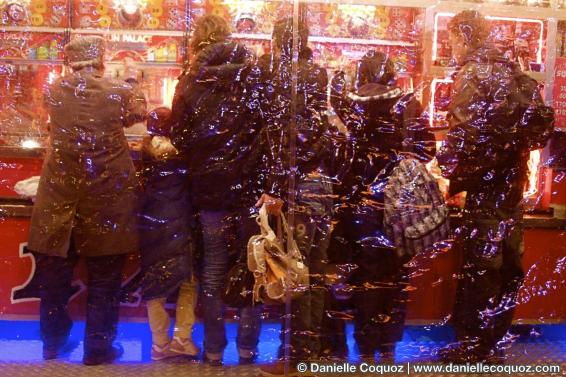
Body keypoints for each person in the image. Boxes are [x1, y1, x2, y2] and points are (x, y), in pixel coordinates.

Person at [436, 10, 554, 363]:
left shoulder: (474, 73)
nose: (450, 46)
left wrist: (448, 173)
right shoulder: (510, 70)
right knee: (506, 264)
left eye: (452, 38)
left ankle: (473, 345)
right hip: (513, 182)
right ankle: (493, 340)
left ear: (464, 36)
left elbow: (463, 130)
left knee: (481, 263)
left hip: (486, 184)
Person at [27, 36, 146, 365]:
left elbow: (46, 124)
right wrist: (133, 78)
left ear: (69, 62)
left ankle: (51, 343)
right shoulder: (118, 91)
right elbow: (140, 113)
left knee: (54, 275)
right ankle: (98, 348)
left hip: (59, 197)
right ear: (101, 61)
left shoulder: (52, 91)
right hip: (106, 196)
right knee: (105, 277)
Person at [325, 50, 436, 362]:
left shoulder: (350, 105)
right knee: (396, 279)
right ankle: (387, 347)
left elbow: (340, 153)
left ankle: (364, 347)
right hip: (400, 205)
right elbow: (427, 150)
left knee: (362, 278)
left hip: (358, 206)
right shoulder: (408, 104)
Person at [170, 14, 263, 366]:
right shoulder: (253, 78)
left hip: (208, 190)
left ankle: (212, 349)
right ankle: (248, 349)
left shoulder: (191, 80)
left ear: (198, 41)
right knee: (252, 265)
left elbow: (178, 135)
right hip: (248, 189)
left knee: (212, 267)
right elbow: (265, 131)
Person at [250, 16, 334, 376]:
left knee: (292, 274)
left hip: (294, 189)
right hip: (322, 188)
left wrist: (273, 186)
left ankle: (294, 358)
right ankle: (310, 353)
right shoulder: (318, 75)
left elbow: (280, 138)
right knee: (312, 273)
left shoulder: (279, 78)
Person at [138, 107, 200, 361]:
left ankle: (159, 344)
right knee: (188, 282)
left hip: (150, 226)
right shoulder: (186, 154)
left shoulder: (144, 154)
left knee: (155, 286)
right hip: (181, 223)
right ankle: (182, 339)